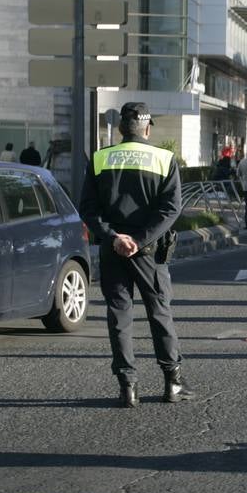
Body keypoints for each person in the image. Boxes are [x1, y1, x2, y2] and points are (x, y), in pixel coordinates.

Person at [78, 102, 192, 408]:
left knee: (119, 315)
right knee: (159, 313)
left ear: (120, 129)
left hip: (113, 248)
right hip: (150, 251)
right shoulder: (164, 159)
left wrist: (114, 237)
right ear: (147, 128)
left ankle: (127, 386)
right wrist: (139, 241)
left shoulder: (101, 158)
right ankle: (172, 382)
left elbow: (87, 209)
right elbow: (170, 209)